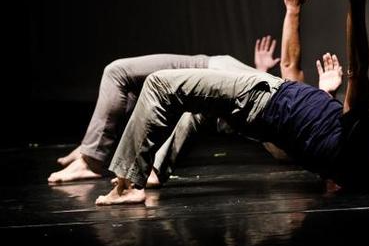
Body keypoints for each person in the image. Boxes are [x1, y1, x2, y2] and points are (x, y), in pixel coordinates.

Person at [95, 0, 369, 206]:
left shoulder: (361, 149)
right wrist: (292, 10)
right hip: (266, 99)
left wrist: (356, 2)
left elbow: (359, 69)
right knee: (193, 107)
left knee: (161, 84)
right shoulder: (353, 158)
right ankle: (151, 171)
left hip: (260, 98)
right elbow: (290, 66)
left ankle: (129, 183)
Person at [47, 36, 280, 185]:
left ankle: (92, 158)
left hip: (222, 70)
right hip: (220, 66)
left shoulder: (292, 128)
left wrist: (292, 9)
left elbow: (289, 70)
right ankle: (92, 151)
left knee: (117, 73)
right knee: (118, 74)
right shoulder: (296, 114)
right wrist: (260, 72)